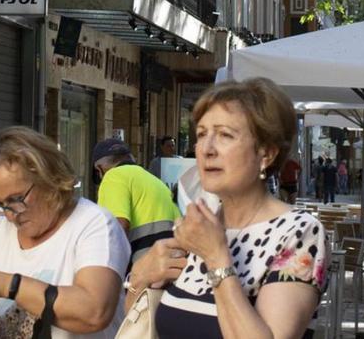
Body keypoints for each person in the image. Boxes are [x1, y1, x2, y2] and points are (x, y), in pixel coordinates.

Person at [125, 78, 328, 338]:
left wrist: (216, 257)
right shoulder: (196, 227)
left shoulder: (298, 234)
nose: (207, 149)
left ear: (266, 153)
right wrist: (139, 280)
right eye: (201, 134)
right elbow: (139, 328)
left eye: (224, 135)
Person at [0, 126, 129, 338]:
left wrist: (7, 284)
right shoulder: (1, 229)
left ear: (50, 178)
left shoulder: (94, 224)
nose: (10, 215)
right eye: (0, 204)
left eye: (16, 199)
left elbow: (94, 312)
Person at [91, 138, 182, 268]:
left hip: (145, 270)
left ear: (99, 169)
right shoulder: (155, 182)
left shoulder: (113, 176)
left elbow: (117, 229)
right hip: (173, 268)